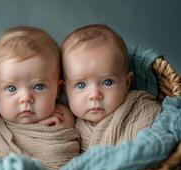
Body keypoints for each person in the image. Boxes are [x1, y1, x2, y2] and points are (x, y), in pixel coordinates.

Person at [0, 26, 80, 170]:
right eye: (11, 88)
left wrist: (39, 128)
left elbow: (63, 142)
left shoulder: (62, 113)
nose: (26, 98)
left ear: (58, 89)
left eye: (39, 87)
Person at [61, 24, 162, 152]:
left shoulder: (141, 109)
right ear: (66, 89)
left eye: (108, 82)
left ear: (127, 82)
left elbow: (152, 146)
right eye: (81, 85)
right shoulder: (66, 121)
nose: (94, 95)